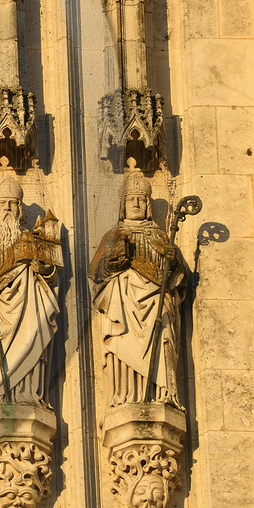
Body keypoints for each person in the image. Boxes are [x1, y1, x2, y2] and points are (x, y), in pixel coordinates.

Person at [0, 172, 62, 408]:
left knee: (34, 329)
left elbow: (50, 273)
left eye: (12, 203)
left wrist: (40, 266)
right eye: (2, 203)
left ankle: (26, 393)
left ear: (20, 210)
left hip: (27, 309)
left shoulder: (30, 239)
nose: (7, 208)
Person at [90, 171, 189, 408]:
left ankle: (161, 393)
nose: (136, 204)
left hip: (157, 304)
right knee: (122, 342)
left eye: (141, 200)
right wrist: (113, 264)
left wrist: (173, 261)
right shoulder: (113, 236)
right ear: (122, 205)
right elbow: (96, 272)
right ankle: (125, 394)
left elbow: (178, 279)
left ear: (148, 206)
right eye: (131, 199)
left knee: (163, 335)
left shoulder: (161, 238)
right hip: (124, 302)